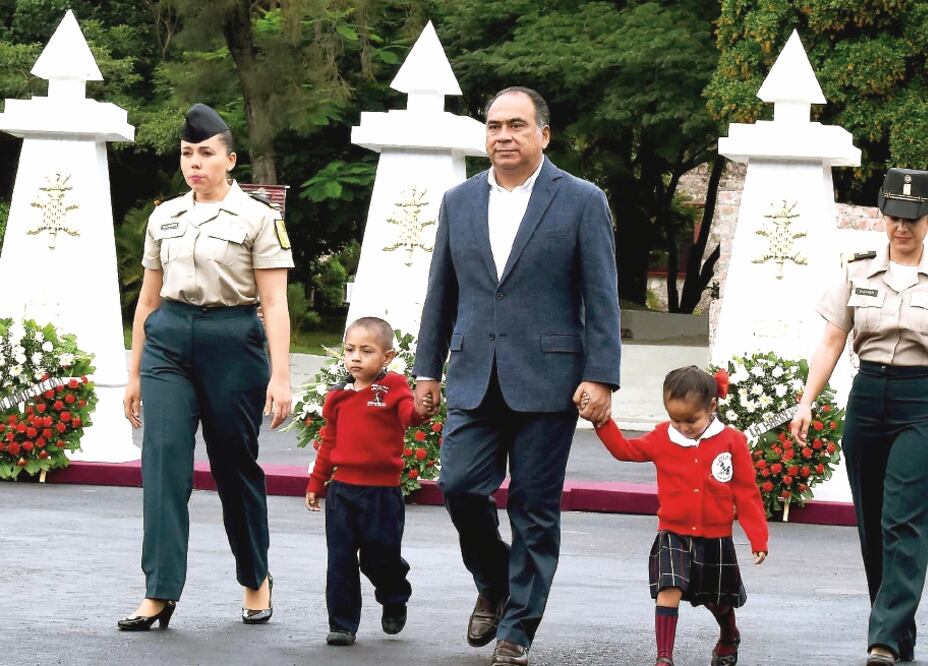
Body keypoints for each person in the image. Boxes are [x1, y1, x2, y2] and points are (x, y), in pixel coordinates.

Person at [413, 86, 620, 666]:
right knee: (458, 487)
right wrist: (426, 369)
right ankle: (497, 583)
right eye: (494, 126)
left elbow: (602, 295)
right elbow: (441, 293)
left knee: (533, 507)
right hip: (474, 373)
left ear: (543, 135)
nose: (503, 135)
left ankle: (519, 628)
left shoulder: (581, 199)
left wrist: (601, 375)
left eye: (517, 125)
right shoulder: (458, 201)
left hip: (549, 379)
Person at [791, 168, 928, 665]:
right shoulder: (856, 271)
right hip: (869, 397)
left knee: (904, 519)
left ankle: (881, 638)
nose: (902, 227)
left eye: (913, 218)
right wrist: (806, 400)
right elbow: (832, 340)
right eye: (895, 217)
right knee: (874, 524)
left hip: (923, 402)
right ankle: (899, 629)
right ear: (883, 215)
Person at [118, 103, 293, 630]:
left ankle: (256, 578)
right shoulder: (164, 215)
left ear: (230, 159)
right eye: (187, 154)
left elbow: (277, 304)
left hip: (232, 341)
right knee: (164, 460)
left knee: (233, 465)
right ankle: (159, 590)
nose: (195, 163)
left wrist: (281, 377)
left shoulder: (258, 218)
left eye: (206, 153)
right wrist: (133, 372)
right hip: (169, 340)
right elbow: (147, 303)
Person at [593, 366, 768, 666]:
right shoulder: (663, 436)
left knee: (718, 601)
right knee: (668, 588)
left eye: (691, 420)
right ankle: (664, 658)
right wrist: (602, 423)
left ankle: (729, 634)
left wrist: (758, 537)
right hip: (672, 532)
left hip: (716, 537)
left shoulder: (732, 441)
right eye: (676, 419)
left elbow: (746, 493)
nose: (683, 427)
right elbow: (625, 450)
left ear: (712, 407)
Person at [305, 317, 427, 647]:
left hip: (382, 493)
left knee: (379, 557)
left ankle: (394, 594)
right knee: (340, 559)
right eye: (350, 350)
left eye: (366, 351)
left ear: (386, 357)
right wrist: (317, 483)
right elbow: (328, 442)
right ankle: (343, 624)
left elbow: (409, 415)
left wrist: (421, 407)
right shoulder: (338, 398)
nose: (356, 357)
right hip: (343, 491)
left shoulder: (395, 387)